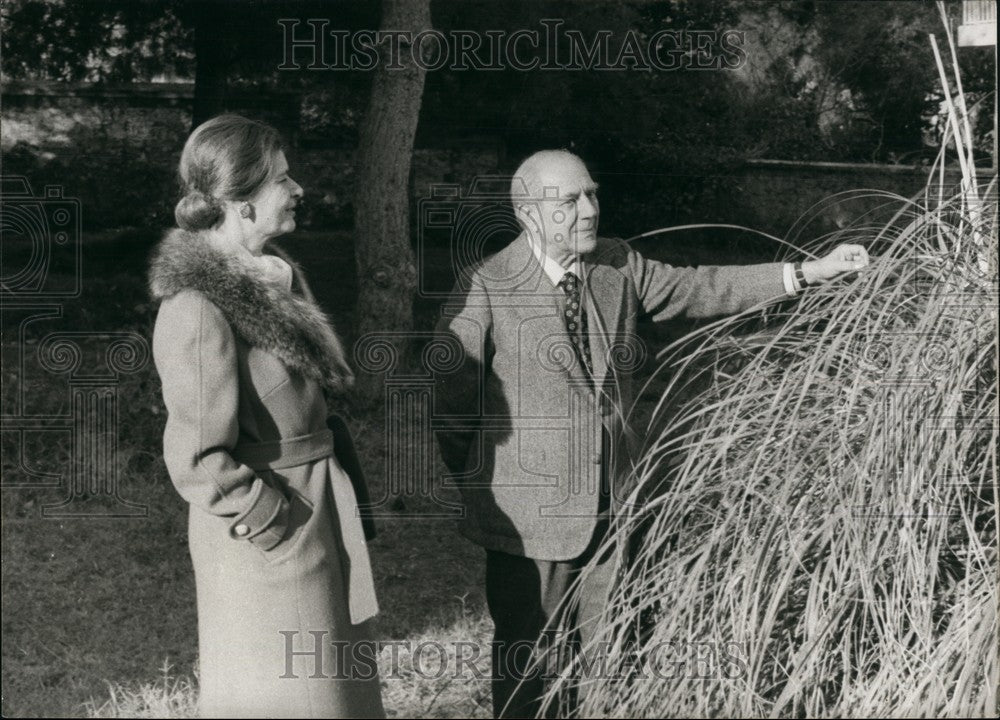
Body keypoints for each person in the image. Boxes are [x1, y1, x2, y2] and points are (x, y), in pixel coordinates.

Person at [432, 149, 870, 718]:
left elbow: (698, 287)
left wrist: (806, 273)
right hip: (527, 523)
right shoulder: (484, 287)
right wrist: (498, 486)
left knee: (610, 659)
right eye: (570, 201)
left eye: (592, 193)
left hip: (616, 506)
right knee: (529, 670)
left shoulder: (616, 265)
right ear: (527, 214)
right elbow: (452, 409)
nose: (589, 209)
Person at [149, 114, 384, 718]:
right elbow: (198, 459)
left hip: (317, 512)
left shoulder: (276, 276)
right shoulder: (196, 308)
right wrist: (273, 524)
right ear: (242, 204)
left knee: (332, 693)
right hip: (267, 542)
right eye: (282, 178)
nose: (298, 188)